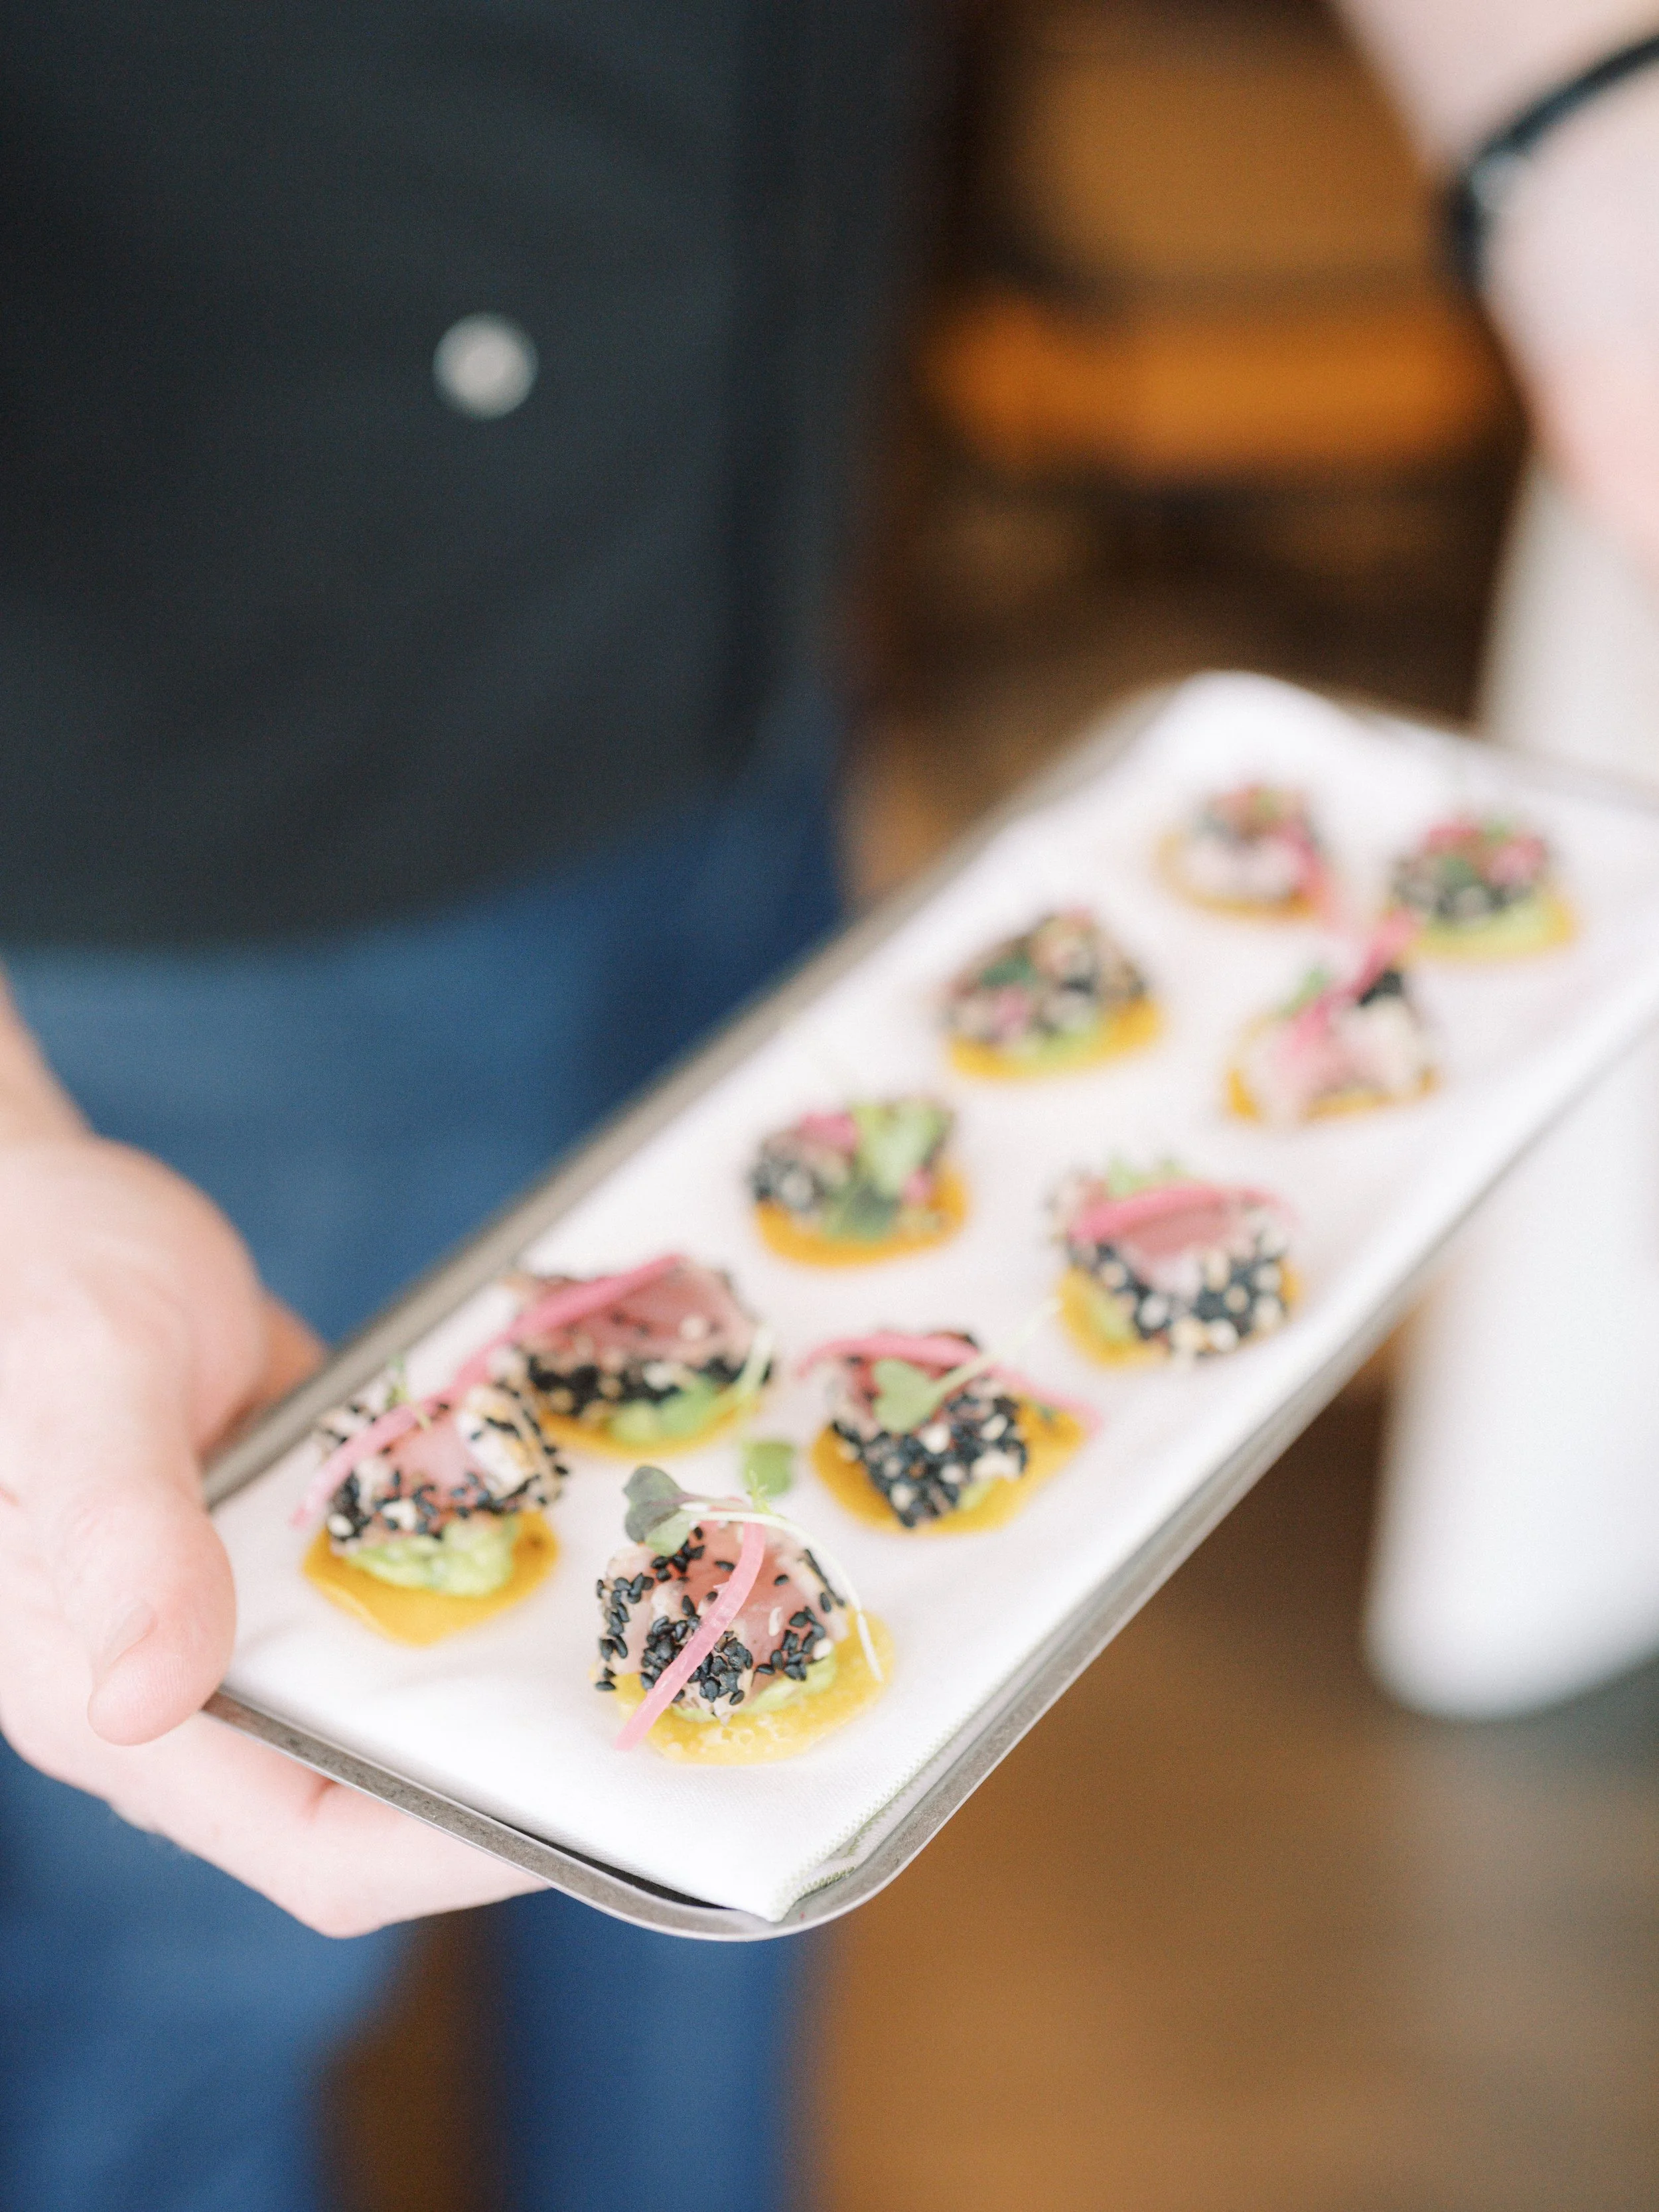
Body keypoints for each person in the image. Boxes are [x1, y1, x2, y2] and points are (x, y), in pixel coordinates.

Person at [1, 3, 1656, 2208]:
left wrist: (1573, 124)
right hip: (178, 888)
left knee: (727, 1865)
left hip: (746, 666)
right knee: (192, 1947)